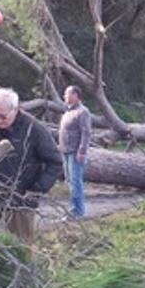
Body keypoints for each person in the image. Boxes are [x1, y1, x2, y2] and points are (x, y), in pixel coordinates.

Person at [0, 88, 62, 242]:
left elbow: (55, 161)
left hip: (21, 198)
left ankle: (20, 266)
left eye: (3, 116)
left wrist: (38, 188)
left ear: (15, 110)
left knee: (21, 244)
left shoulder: (34, 129)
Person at [57, 85, 92, 219]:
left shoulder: (83, 112)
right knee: (69, 181)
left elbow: (86, 133)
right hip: (65, 151)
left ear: (75, 96)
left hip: (75, 152)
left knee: (76, 181)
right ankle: (73, 208)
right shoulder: (67, 112)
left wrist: (81, 151)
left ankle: (77, 211)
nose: (64, 96)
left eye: (67, 94)